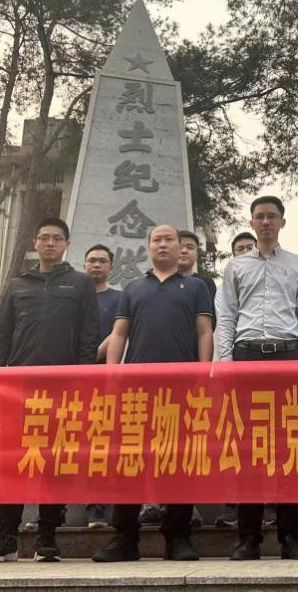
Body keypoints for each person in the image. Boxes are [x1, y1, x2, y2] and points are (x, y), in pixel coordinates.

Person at [0, 217, 101, 563]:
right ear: (35, 243)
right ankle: (7, 535)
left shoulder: (80, 284)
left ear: (66, 245)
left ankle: (48, 535)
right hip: (18, 387)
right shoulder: (18, 284)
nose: (50, 243)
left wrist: (82, 378)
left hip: (63, 386)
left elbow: (89, 334)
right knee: (14, 460)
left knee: (55, 460)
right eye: (44, 238)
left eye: (57, 238)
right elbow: (1, 334)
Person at [92, 224, 214, 563]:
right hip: (136, 390)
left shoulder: (196, 287)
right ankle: (124, 538)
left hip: (182, 389)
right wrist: (112, 374)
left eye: (169, 239)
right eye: (156, 240)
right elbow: (119, 333)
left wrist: (203, 374)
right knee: (131, 461)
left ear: (180, 247)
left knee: (180, 461)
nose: (163, 244)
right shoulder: (133, 288)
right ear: (149, 247)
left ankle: (178, 537)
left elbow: (205, 331)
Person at [217, 195, 298, 561]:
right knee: (249, 448)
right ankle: (248, 539)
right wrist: (225, 360)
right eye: (259, 216)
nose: (265, 222)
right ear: (251, 221)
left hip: (288, 355)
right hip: (246, 357)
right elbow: (226, 315)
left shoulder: (296, 264)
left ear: (282, 222)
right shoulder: (235, 266)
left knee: (290, 446)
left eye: (272, 216)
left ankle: (291, 538)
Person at [214, 230, 258, 531]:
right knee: (235, 439)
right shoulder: (224, 288)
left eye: (248, 247)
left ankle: (271, 505)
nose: (244, 252)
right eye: (238, 249)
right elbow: (223, 326)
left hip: (268, 366)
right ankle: (233, 506)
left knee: (270, 439)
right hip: (233, 368)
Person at [84, 244, 121, 529]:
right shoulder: (73, 296)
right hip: (72, 377)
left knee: (102, 441)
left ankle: (97, 508)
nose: (96, 265)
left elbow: (119, 332)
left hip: (106, 377)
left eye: (102, 261)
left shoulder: (120, 298)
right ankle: (51, 509)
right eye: (91, 260)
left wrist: (92, 355)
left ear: (111, 267)